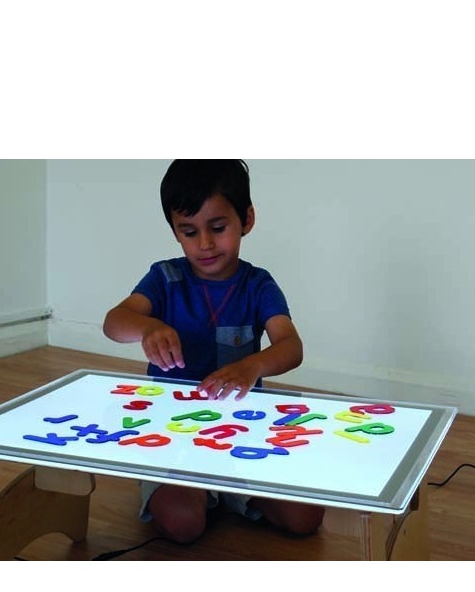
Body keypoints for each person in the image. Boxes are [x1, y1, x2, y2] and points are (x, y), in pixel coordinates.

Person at [103, 159, 324, 544]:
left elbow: (291, 347)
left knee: (306, 516)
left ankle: (224, 492)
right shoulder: (165, 278)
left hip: (242, 432)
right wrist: (147, 327)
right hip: (172, 434)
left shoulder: (258, 284)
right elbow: (113, 322)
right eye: (189, 232)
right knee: (183, 523)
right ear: (175, 231)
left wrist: (252, 366)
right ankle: (202, 491)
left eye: (218, 228)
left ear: (247, 219)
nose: (204, 244)